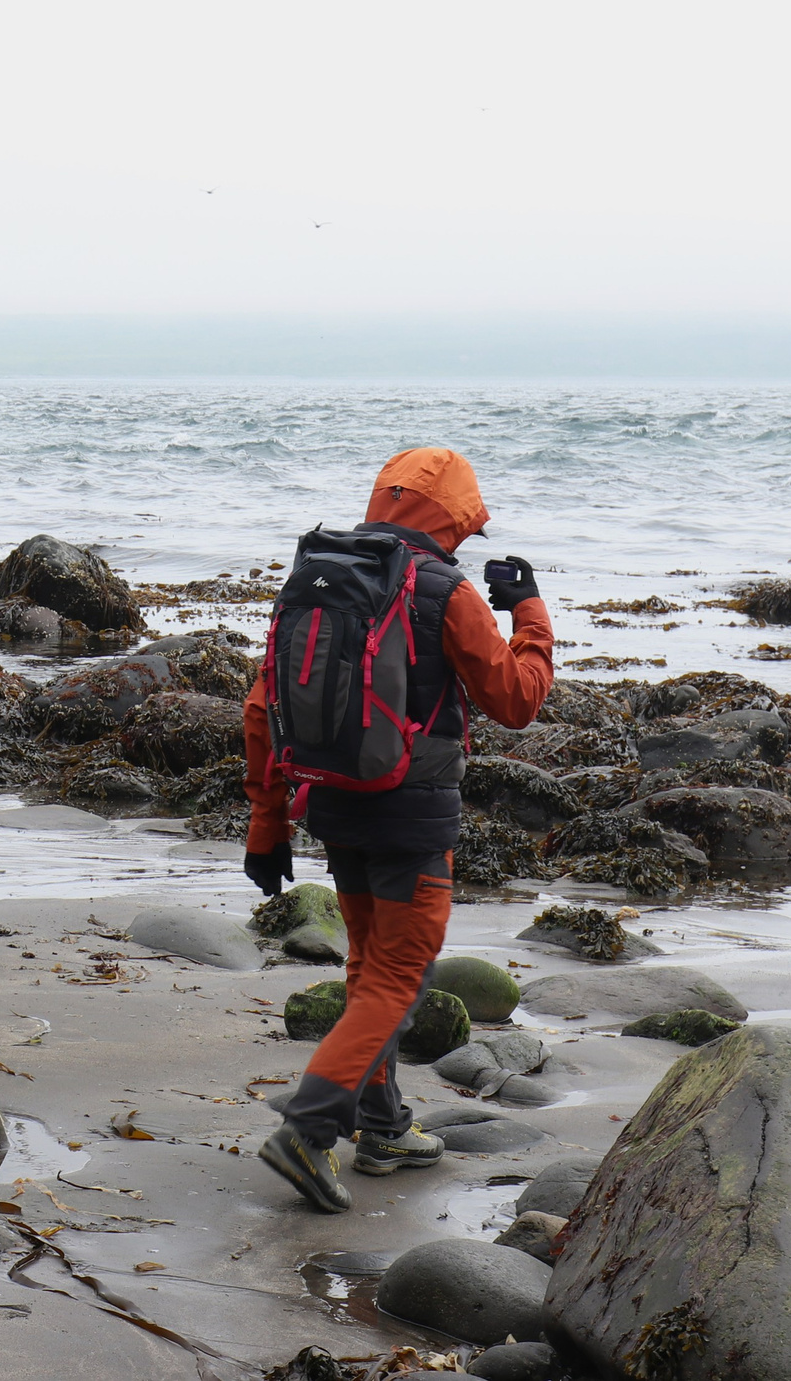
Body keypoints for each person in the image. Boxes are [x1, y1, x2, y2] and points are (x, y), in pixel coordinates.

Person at [245, 448, 553, 1213]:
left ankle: (383, 1130)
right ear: (453, 518)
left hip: (334, 806)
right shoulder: (443, 589)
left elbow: (261, 709)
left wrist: (266, 822)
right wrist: (530, 611)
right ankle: (309, 1132)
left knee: (367, 973)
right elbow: (515, 699)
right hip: (411, 818)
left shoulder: (317, 575)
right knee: (395, 980)